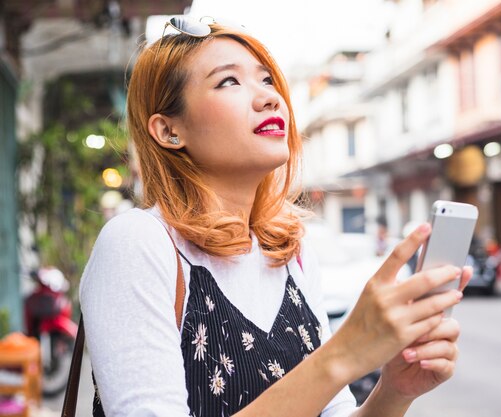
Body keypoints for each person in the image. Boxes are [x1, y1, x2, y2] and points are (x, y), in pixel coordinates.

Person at [79, 15, 472, 417]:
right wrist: (342, 355)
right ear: (168, 131)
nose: (269, 98)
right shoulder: (138, 244)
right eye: (228, 81)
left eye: (267, 80)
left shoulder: (292, 255)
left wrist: (395, 391)